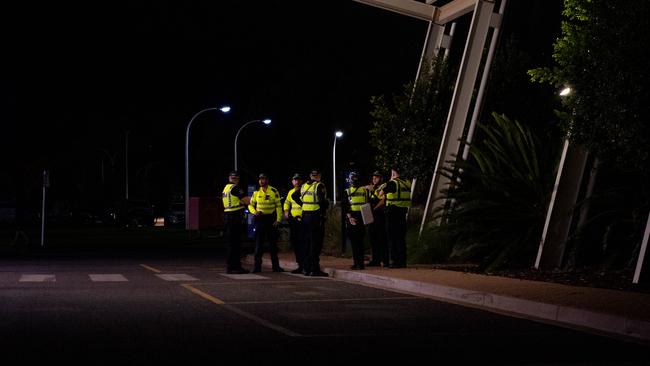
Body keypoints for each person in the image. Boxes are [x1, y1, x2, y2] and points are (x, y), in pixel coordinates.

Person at [292, 168, 329, 277]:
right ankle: (314, 269)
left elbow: (294, 196)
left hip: (305, 217)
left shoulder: (304, 186)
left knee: (307, 243)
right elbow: (322, 202)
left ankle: (306, 268)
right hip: (315, 217)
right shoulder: (319, 185)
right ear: (319, 176)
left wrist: (303, 204)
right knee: (315, 243)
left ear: (310, 176)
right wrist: (323, 212)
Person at [248, 173, 284, 273]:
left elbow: (278, 206)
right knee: (259, 245)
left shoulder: (273, 191)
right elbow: (250, 205)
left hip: (271, 220)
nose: (261, 181)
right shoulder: (256, 193)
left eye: (263, 179)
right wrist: (254, 212)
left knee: (273, 245)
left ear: (267, 180)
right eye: (260, 179)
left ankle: (276, 267)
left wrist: (278, 220)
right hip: (260, 220)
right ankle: (257, 267)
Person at [380, 167, 411, 268]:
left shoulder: (393, 183)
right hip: (402, 212)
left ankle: (395, 261)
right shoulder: (407, 183)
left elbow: (381, 193)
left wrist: (387, 184)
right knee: (401, 238)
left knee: (392, 238)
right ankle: (402, 261)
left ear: (393, 174)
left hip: (392, 212)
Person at [222, 170, 251, 274]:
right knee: (236, 244)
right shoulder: (235, 188)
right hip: (234, 217)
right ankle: (235, 267)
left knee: (231, 244)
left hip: (228, 216)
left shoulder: (226, 188)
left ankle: (232, 267)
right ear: (237, 179)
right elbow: (246, 201)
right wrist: (248, 200)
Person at [343, 171, 370, 270]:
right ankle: (360, 263)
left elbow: (345, 207)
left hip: (352, 217)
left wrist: (350, 217)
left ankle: (357, 263)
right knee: (360, 242)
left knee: (354, 242)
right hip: (362, 217)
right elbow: (368, 204)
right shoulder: (365, 191)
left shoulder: (348, 191)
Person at [283, 173, 306, 274]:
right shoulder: (290, 192)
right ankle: (300, 265)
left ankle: (305, 265)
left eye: (298, 180)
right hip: (294, 221)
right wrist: (286, 212)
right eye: (295, 180)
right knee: (296, 244)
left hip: (303, 220)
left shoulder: (305, 191)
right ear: (292, 182)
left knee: (304, 244)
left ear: (301, 181)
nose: (297, 182)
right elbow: (287, 202)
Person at [366, 170, 388, 267]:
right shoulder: (373, 187)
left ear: (381, 178)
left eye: (377, 177)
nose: (374, 179)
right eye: (373, 177)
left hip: (379, 216)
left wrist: (374, 209)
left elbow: (383, 201)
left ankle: (385, 260)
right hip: (371, 216)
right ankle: (376, 260)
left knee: (381, 238)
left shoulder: (382, 187)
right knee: (373, 238)